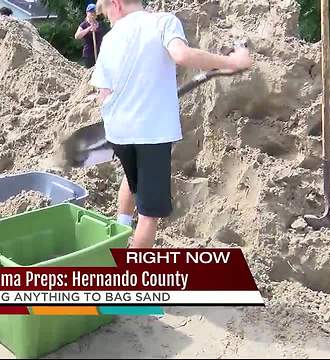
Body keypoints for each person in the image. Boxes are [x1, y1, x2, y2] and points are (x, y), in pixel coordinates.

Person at [91, 0, 252, 248]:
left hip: (118, 132)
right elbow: (181, 54)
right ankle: (132, 278)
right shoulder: (163, 21)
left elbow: (104, 93)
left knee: (132, 177)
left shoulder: (110, 38)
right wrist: (233, 62)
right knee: (149, 216)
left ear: (116, 4)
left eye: (107, 14)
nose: (108, 20)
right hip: (151, 134)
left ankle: (120, 231)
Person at [75, 4, 105, 68]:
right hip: (89, 54)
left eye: (94, 12)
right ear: (87, 12)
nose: (93, 14)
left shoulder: (100, 24)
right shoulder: (83, 25)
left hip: (100, 53)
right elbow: (77, 36)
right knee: (91, 74)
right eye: (91, 12)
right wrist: (89, 28)